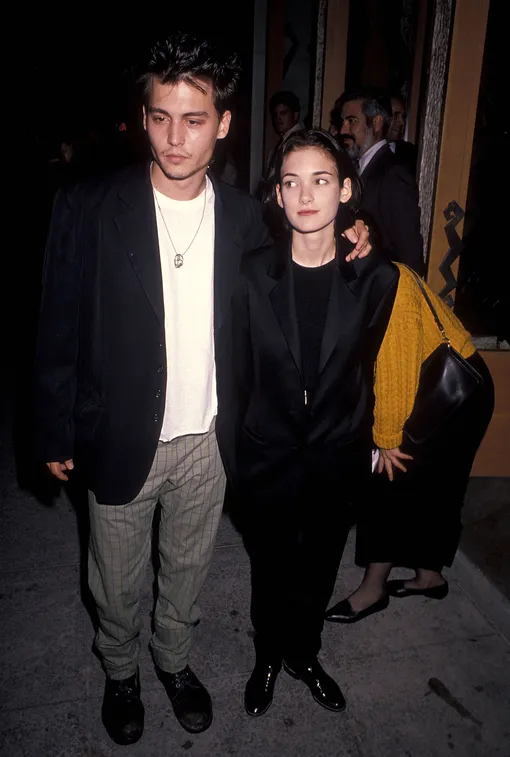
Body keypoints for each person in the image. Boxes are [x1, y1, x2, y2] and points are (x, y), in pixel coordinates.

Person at [33, 34, 371, 746]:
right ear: (143, 115)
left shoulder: (252, 218)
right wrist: (54, 427)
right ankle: (121, 669)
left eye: (193, 119)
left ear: (223, 122)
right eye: (160, 116)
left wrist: (357, 232)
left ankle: (174, 661)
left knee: (187, 571)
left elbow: (311, 250)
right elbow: (57, 324)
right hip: (120, 432)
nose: (174, 137)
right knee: (114, 581)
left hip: (211, 440)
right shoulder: (88, 206)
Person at [221, 129, 399, 718]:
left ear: (345, 190)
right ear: (275, 194)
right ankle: (268, 655)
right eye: (291, 181)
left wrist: (371, 441)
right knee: (268, 571)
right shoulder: (250, 276)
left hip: (334, 459)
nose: (305, 194)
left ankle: (305, 653)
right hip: (266, 458)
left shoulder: (378, 279)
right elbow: (235, 379)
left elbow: (366, 371)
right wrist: (239, 467)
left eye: (321, 180)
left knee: (319, 569)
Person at [325, 264, 494, 624]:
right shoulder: (357, 276)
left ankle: (373, 590)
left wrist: (386, 440)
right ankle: (430, 576)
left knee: (389, 483)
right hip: (443, 388)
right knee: (435, 485)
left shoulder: (389, 281)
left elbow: (395, 368)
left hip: (455, 392)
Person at [337, 87, 424, 275]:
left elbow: (410, 256)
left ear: (376, 123)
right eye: (343, 122)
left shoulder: (393, 173)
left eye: (351, 121)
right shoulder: (351, 167)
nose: (343, 129)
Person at [387, 92, 418, 176]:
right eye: (395, 115)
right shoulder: (363, 150)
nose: (402, 122)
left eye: (403, 116)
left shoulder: (412, 153)